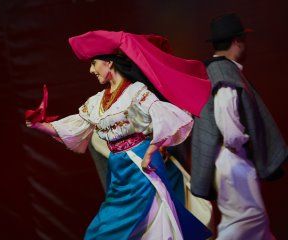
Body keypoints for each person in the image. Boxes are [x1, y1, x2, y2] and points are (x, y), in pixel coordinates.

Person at [27, 30, 212, 239]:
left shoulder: (136, 92)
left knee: (151, 226)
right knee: (103, 229)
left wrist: (151, 152)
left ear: (109, 63)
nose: (90, 70)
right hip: (119, 171)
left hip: (142, 167)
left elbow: (166, 118)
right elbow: (75, 127)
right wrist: (39, 125)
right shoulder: (97, 102)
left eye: (93, 63)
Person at [190, 13, 288, 239]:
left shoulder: (216, 70)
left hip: (229, 158)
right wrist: (240, 144)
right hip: (232, 158)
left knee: (256, 225)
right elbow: (227, 116)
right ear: (237, 41)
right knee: (246, 220)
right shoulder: (224, 73)